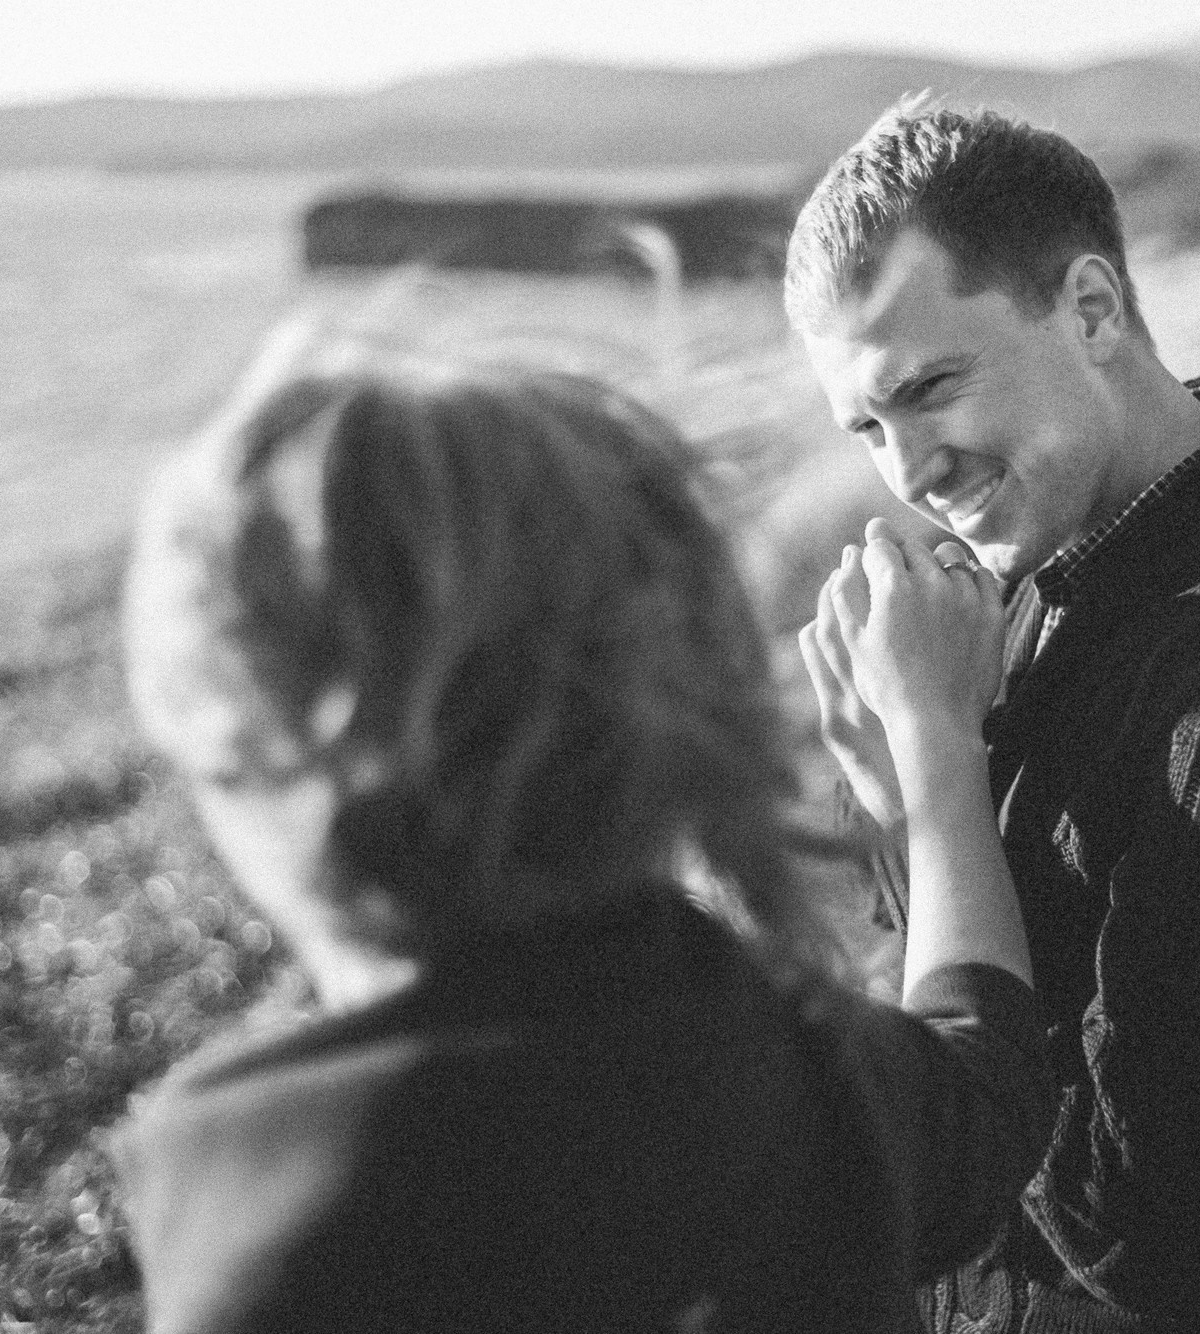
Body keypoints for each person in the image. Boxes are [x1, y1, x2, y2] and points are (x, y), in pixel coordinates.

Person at [113, 347, 1055, 1333]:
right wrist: (935, 747)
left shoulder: (234, 1178)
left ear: (239, 764)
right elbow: (987, 1077)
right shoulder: (783, 1070)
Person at [789, 101, 1200, 1334]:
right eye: (867, 427)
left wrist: (936, 766)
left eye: (929, 386)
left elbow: (1127, 1225)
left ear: (1091, 310)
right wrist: (898, 808)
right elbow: (968, 1059)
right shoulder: (1050, 564)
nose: (910, 469)